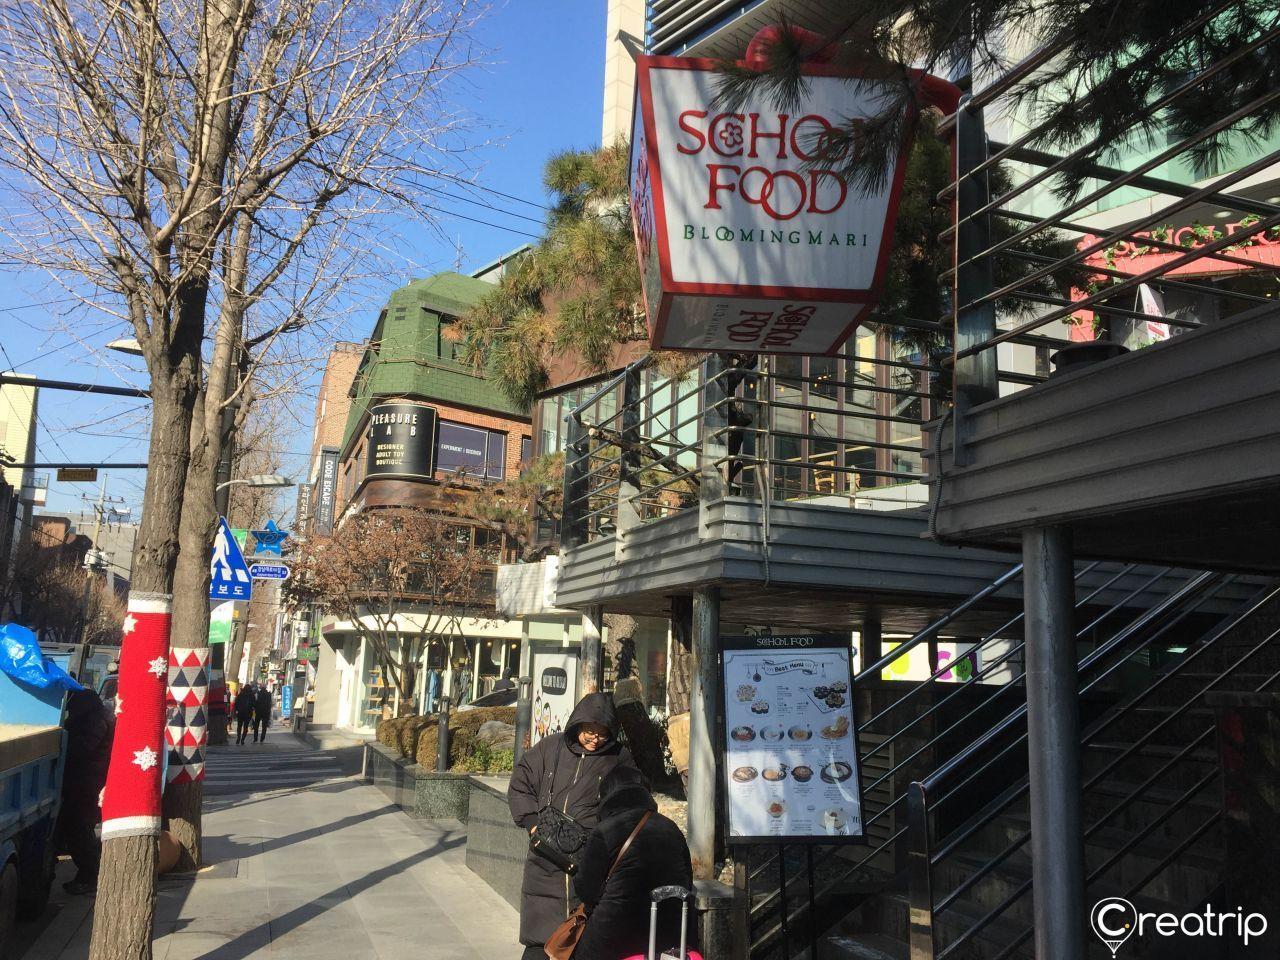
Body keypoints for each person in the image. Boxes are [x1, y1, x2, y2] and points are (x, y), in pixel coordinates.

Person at [508, 693, 636, 960]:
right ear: (578, 724)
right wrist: (532, 823)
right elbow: (520, 783)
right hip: (544, 859)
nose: (595, 739)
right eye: (590, 731)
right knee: (539, 940)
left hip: (587, 862)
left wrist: (607, 839)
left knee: (579, 939)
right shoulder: (550, 747)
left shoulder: (619, 758)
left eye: (603, 733)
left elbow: (630, 801)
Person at [573, 767, 695, 960]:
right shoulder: (671, 827)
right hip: (667, 935)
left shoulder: (604, 831)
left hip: (613, 936)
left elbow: (587, 891)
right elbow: (687, 881)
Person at [56, 687, 114, 894]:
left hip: (86, 783)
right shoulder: (97, 716)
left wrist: (63, 741)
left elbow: (82, 749)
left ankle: (89, 876)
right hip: (87, 782)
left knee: (79, 828)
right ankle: (89, 873)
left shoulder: (94, 721)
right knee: (79, 828)